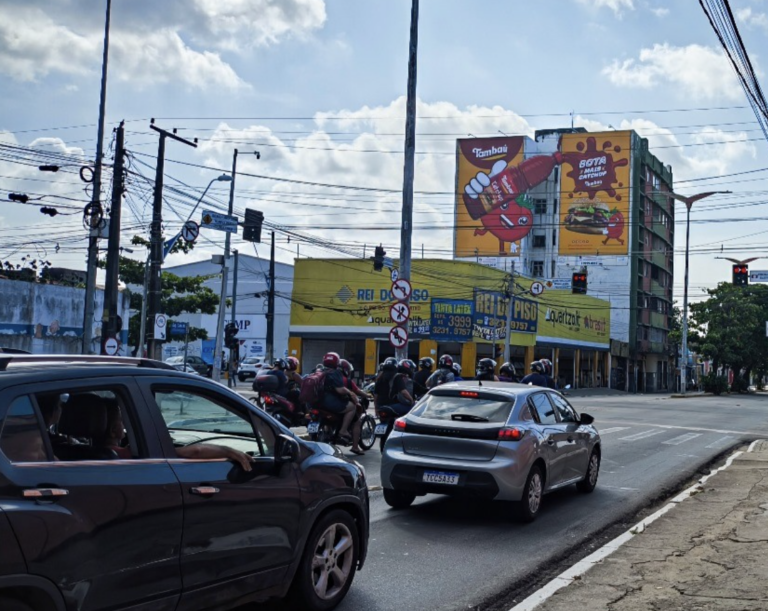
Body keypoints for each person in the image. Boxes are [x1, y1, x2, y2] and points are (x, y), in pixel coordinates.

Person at [319, 352, 358, 443]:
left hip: (315, 402)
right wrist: (350, 393)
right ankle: (343, 430)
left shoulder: (318, 370)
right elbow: (340, 390)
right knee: (352, 407)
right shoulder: (335, 373)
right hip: (328, 402)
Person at [339, 359, 368, 455]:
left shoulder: (328, 376)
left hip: (326, 405)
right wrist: (367, 395)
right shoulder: (346, 381)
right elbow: (358, 391)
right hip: (340, 405)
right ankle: (355, 447)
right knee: (357, 421)